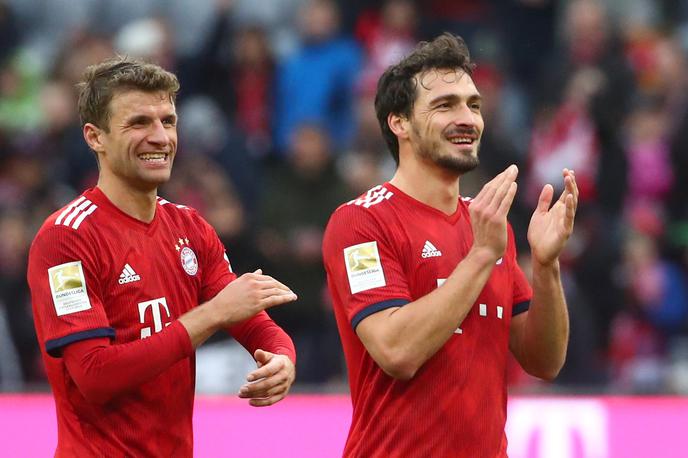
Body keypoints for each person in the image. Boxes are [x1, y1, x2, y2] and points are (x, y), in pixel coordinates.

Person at [322, 33, 578, 457]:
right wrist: (480, 256)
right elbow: (397, 351)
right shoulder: (361, 222)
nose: (468, 118)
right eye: (445, 105)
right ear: (398, 122)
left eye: (473, 105)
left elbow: (544, 361)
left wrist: (547, 267)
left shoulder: (489, 225)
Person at [26, 57, 298, 457]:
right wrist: (211, 314)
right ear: (94, 137)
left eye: (167, 121)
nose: (160, 137)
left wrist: (282, 356)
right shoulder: (65, 238)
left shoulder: (190, 227)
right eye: (139, 123)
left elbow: (245, 315)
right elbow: (95, 376)